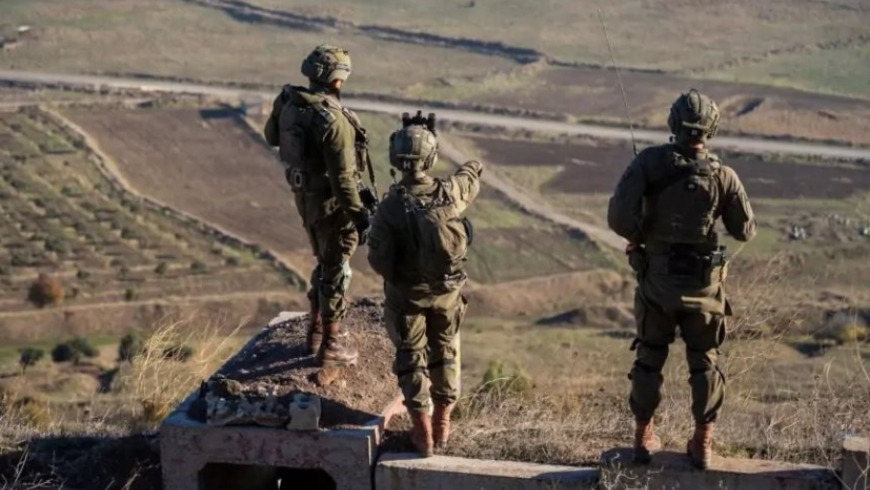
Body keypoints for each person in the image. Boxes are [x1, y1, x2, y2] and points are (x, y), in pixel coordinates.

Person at [607, 89, 756, 469]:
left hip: (657, 282)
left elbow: (618, 218)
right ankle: (703, 442)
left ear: (673, 123)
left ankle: (643, 437)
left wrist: (639, 237)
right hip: (704, 287)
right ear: (711, 129)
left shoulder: (649, 162)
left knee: (649, 357)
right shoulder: (724, 176)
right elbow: (745, 231)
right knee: (705, 362)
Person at [367, 112, 483, 457]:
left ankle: (422, 433)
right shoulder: (449, 193)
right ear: (431, 159)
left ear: (395, 159)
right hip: (446, 294)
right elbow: (472, 174)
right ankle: (442, 422)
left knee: (411, 358)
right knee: (444, 349)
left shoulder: (389, 207)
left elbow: (379, 262)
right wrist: (458, 156)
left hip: (407, 298)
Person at [264, 44, 375, 366]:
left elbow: (272, 137)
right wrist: (361, 218)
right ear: (338, 80)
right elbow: (344, 180)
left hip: (305, 196)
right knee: (337, 268)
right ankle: (332, 344)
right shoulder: (334, 120)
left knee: (325, 260)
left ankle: (315, 333)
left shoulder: (290, 102)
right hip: (330, 203)